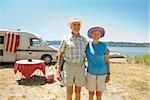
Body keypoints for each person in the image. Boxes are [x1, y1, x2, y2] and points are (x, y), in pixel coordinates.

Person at [56, 17, 87, 100]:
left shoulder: (84, 40)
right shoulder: (65, 39)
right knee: (69, 91)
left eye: (78, 25)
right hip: (68, 66)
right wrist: (58, 70)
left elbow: (88, 53)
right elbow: (60, 54)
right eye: (74, 25)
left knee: (78, 91)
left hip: (80, 67)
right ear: (70, 27)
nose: (76, 26)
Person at [85, 27, 110, 100]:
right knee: (91, 93)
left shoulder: (103, 46)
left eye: (98, 34)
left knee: (99, 94)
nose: (96, 35)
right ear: (91, 35)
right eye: (94, 34)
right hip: (91, 73)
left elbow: (107, 61)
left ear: (100, 35)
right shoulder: (87, 46)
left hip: (102, 73)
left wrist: (108, 73)